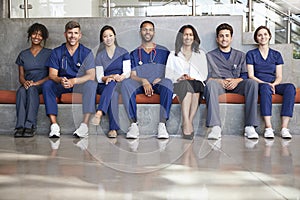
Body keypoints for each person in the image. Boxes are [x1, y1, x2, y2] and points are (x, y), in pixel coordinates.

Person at [205, 23, 259, 140]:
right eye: (221, 36)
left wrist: (236, 81)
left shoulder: (240, 55)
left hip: (237, 85)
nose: (224, 39)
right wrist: (219, 81)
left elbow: (245, 75)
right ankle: (215, 127)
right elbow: (206, 77)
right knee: (210, 84)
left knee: (252, 83)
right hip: (218, 85)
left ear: (231, 38)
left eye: (227, 36)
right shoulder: (210, 56)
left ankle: (250, 126)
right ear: (217, 38)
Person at [43, 21, 97, 138]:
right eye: (70, 33)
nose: (72, 36)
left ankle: (84, 126)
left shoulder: (86, 52)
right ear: (65, 34)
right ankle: (54, 125)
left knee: (92, 84)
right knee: (47, 85)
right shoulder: (57, 52)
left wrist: (74, 81)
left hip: (79, 84)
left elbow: (91, 75)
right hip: (63, 84)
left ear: (80, 35)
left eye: (75, 33)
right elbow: (52, 74)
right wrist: (60, 79)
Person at [121, 20, 173, 139]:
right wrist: (143, 80)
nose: (147, 32)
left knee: (168, 83)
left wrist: (161, 78)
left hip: (158, 83)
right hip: (140, 84)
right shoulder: (134, 53)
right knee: (126, 84)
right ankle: (133, 125)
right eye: (145, 29)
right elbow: (133, 75)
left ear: (154, 32)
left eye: (150, 30)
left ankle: (162, 125)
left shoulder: (164, 51)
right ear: (140, 32)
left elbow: (170, 71)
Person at [246, 25, 296, 139]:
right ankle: (268, 127)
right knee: (265, 88)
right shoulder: (251, 54)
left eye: (265, 34)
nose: (262, 37)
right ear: (256, 38)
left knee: (290, 87)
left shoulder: (276, 54)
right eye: (259, 35)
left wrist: (273, 84)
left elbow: (279, 76)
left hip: (273, 84)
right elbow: (251, 75)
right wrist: (265, 84)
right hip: (259, 84)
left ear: (269, 36)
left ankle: (284, 128)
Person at [165, 25, 207, 140]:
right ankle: (186, 121)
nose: (188, 37)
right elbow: (168, 74)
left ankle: (188, 121)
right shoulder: (173, 54)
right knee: (186, 85)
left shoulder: (200, 54)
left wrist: (191, 77)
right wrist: (180, 77)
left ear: (194, 38)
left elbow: (204, 74)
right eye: (185, 34)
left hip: (195, 82)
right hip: (179, 83)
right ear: (181, 37)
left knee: (195, 85)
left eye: (190, 35)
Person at [90, 25, 131, 138]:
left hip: (120, 82)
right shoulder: (99, 55)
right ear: (102, 39)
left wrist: (119, 77)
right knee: (112, 91)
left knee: (113, 86)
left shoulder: (123, 52)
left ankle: (100, 112)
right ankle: (113, 129)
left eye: (110, 35)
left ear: (115, 36)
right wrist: (109, 77)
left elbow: (127, 72)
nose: (108, 38)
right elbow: (99, 77)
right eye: (105, 36)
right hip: (105, 84)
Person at [14, 23, 52, 137]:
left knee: (32, 90)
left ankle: (30, 126)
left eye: (40, 35)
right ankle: (20, 126)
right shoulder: (23, 54)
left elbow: (51, 75)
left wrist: (36, 83)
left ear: (44, 38)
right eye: (35, 34)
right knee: (20, 91)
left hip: (42, 84)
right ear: (30, 35)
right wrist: (24, 82)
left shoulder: (49, 53)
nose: (37, 37)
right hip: (27, 84)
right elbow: (21, 76)